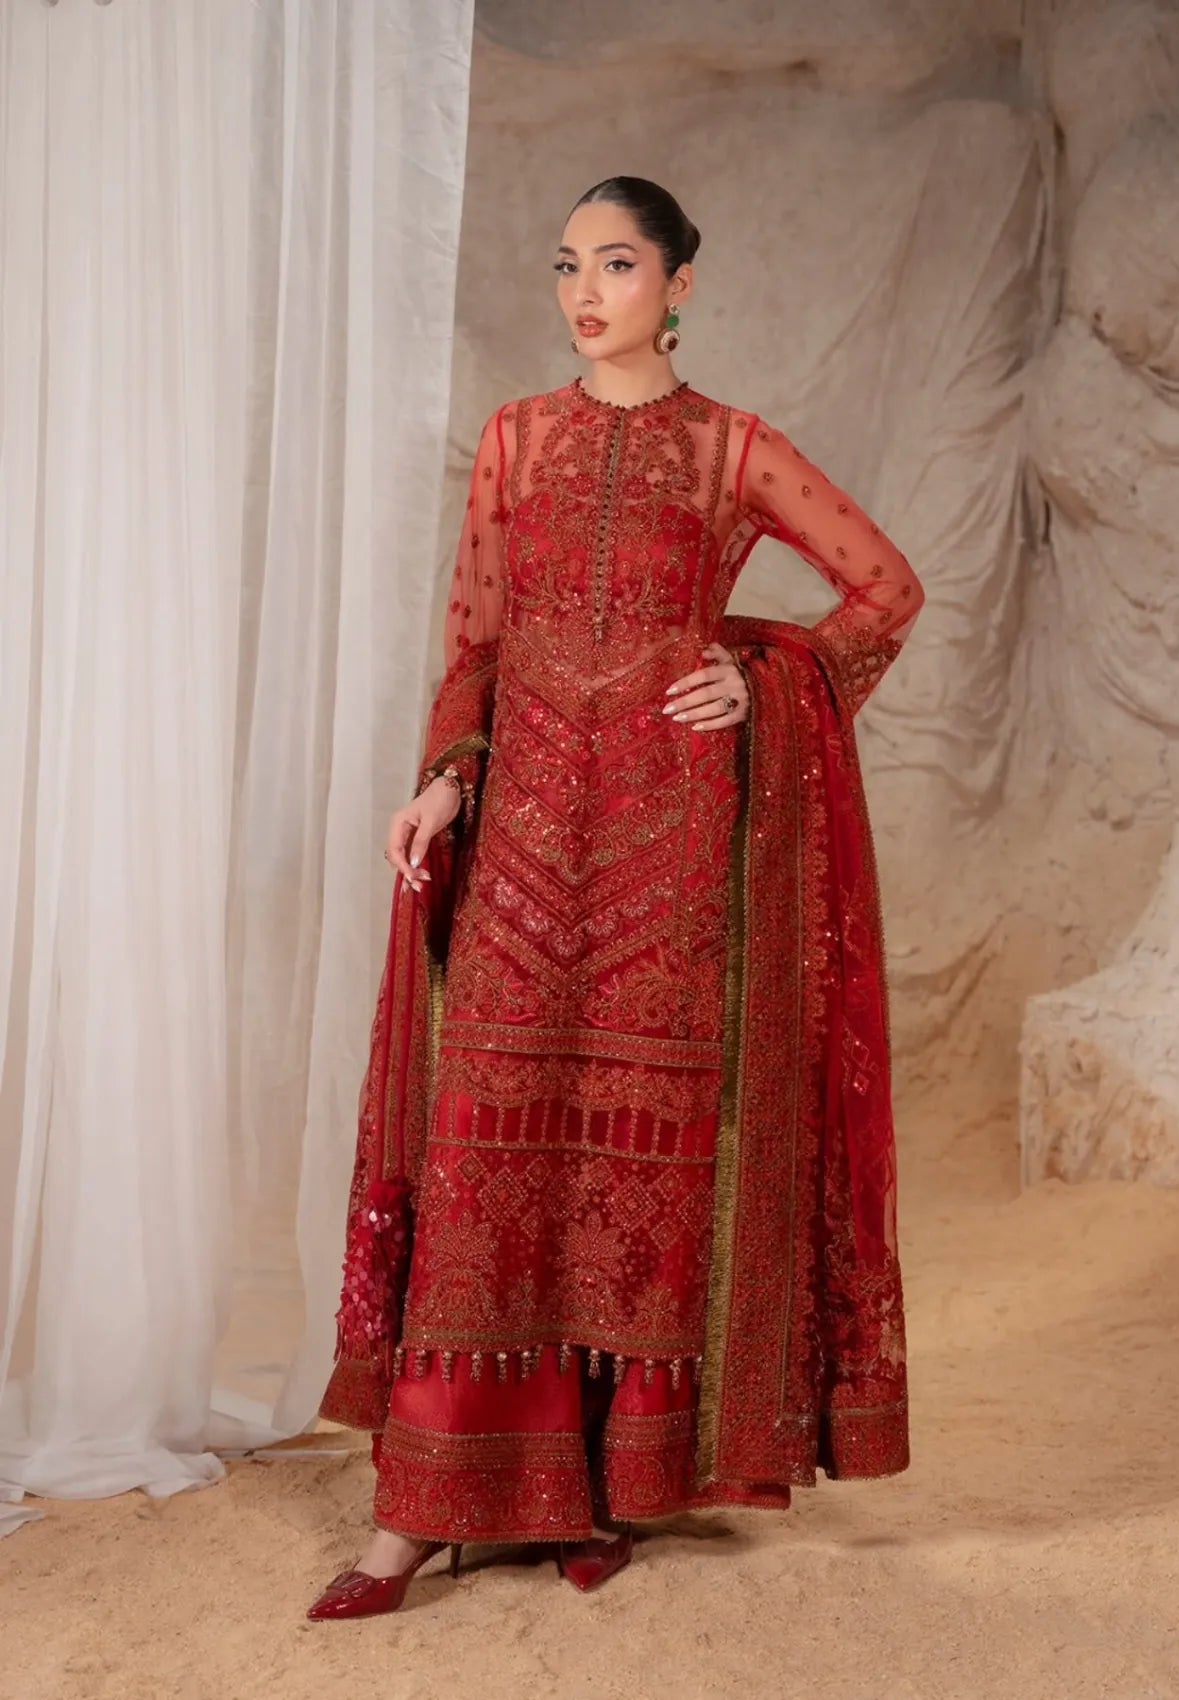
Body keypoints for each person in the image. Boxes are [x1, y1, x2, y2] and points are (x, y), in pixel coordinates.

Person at [307, 176, 925, 1622]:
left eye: (620, 264)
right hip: (523, 847)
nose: (586, 292)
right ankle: (413, 1515)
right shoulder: (516, 440)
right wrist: (442, 782)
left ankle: (597, 1493)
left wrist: (762, 676)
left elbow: (886, 591)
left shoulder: (730, 449)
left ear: (680, 284)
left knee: (636, 1174)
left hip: (670, 857)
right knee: (487, 1156)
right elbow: (477, 643)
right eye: (569, 265)